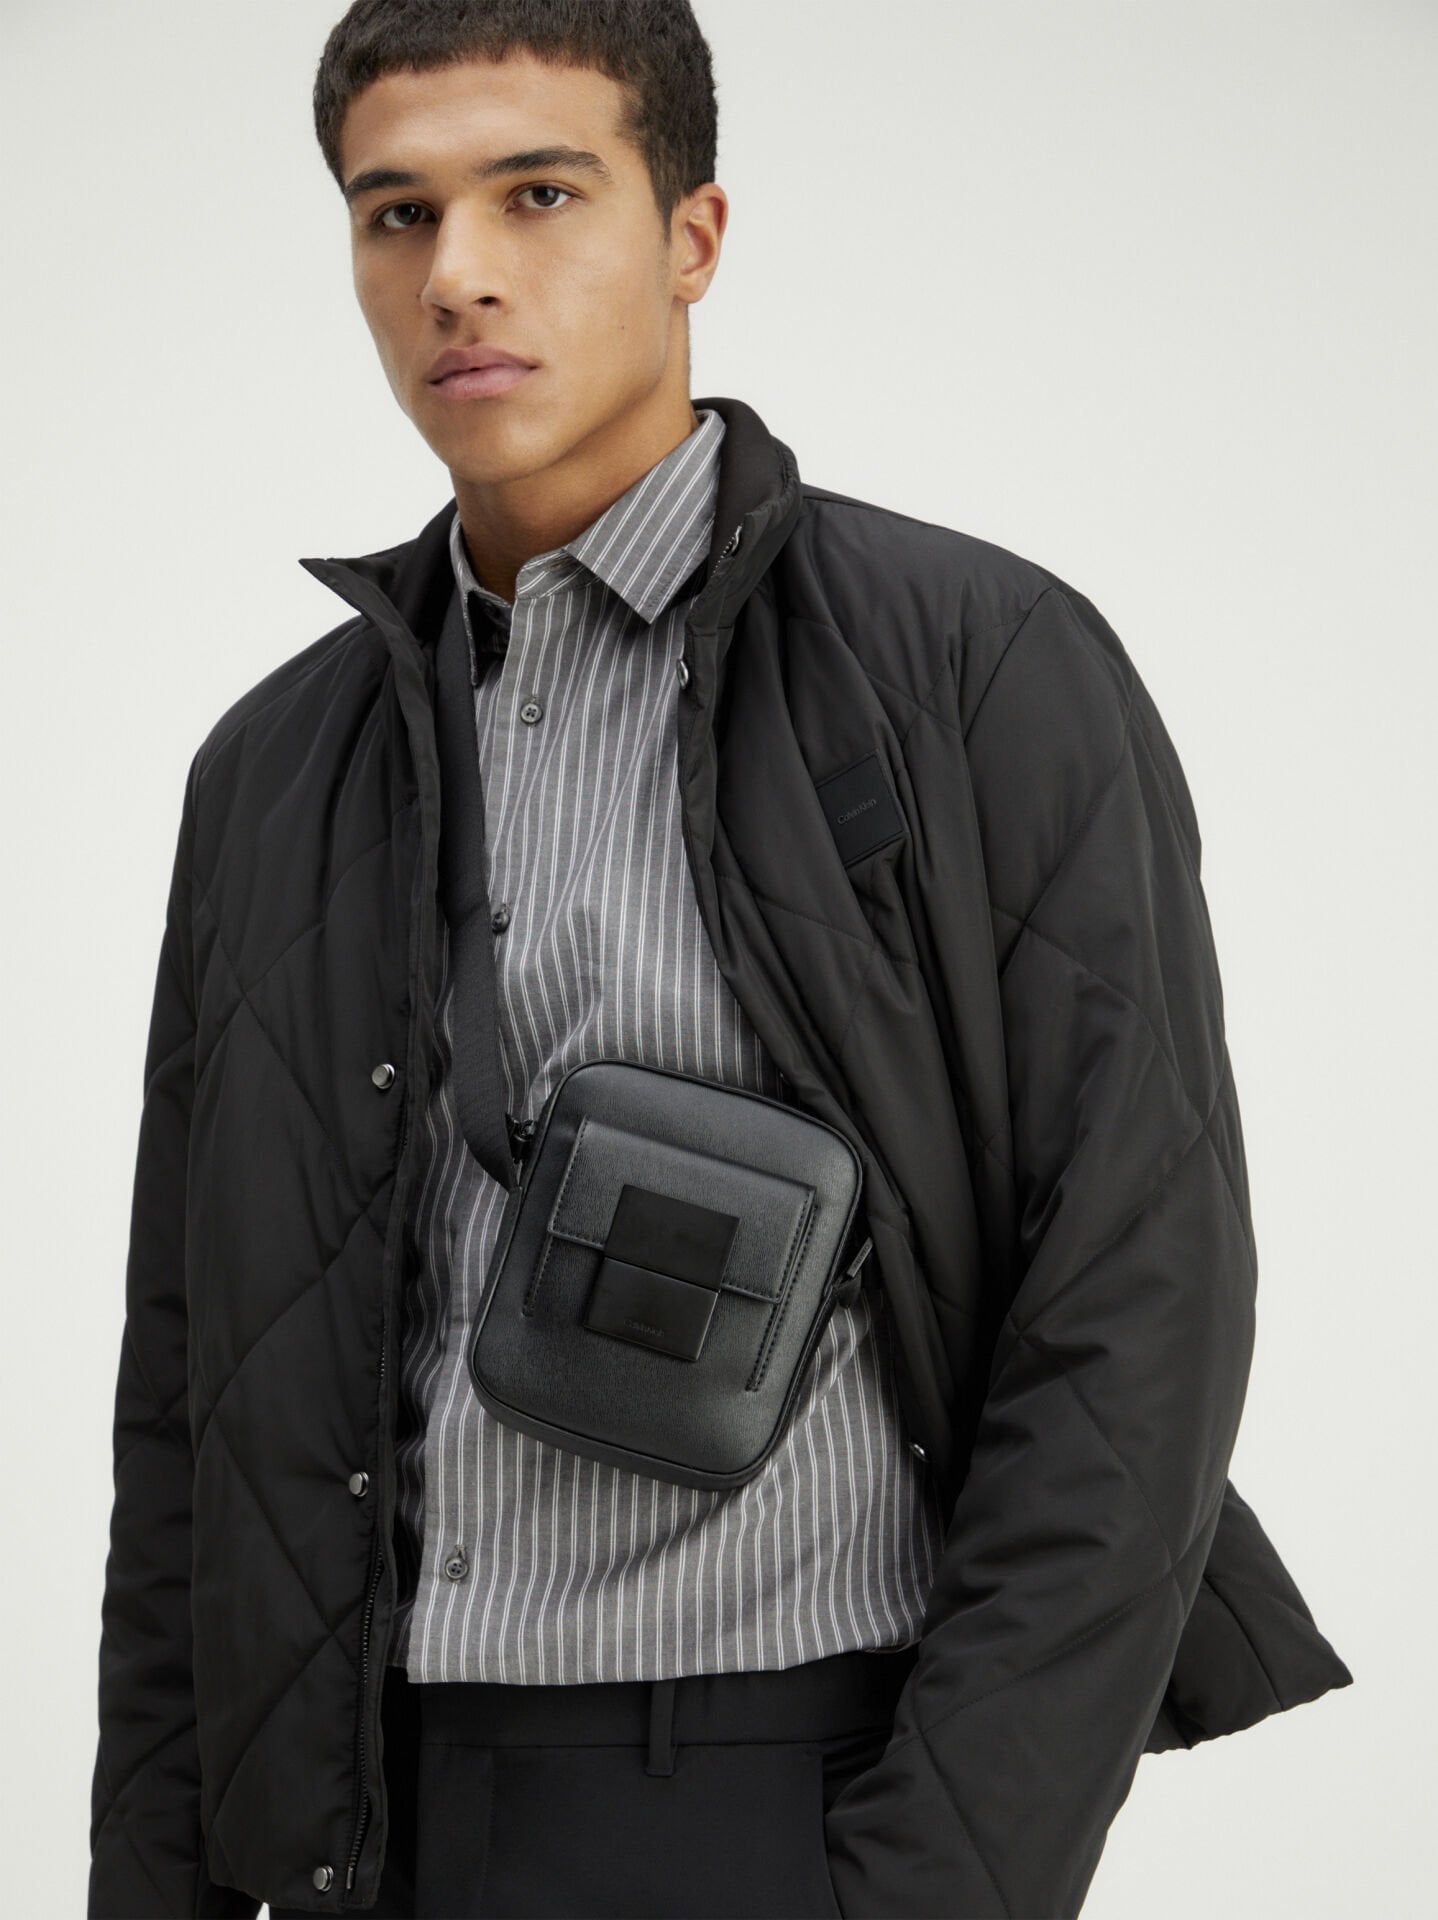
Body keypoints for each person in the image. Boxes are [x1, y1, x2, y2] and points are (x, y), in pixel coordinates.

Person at [86, 3, 1352, 1917]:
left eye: (537, 195)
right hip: (362, 1826)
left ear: (691, 237)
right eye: (396, 213)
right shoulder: (272, 768)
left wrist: (933, 1883)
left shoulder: (969, 668)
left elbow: (1136, 1305)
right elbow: (190, 1391)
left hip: (781, 1798)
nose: (457, 275)